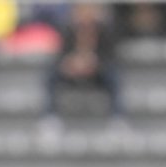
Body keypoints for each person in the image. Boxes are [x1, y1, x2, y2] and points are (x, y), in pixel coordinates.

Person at [41, 3, 125, 135]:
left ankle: (117, 118)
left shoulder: (105, 31)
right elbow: (60, 56)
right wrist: (70, 63)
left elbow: (110, 57)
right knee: (51, 75)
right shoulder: (67, 30)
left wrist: (95, 63)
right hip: (73, 71)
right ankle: (50, 117)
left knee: (113, 76)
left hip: (97, 72)